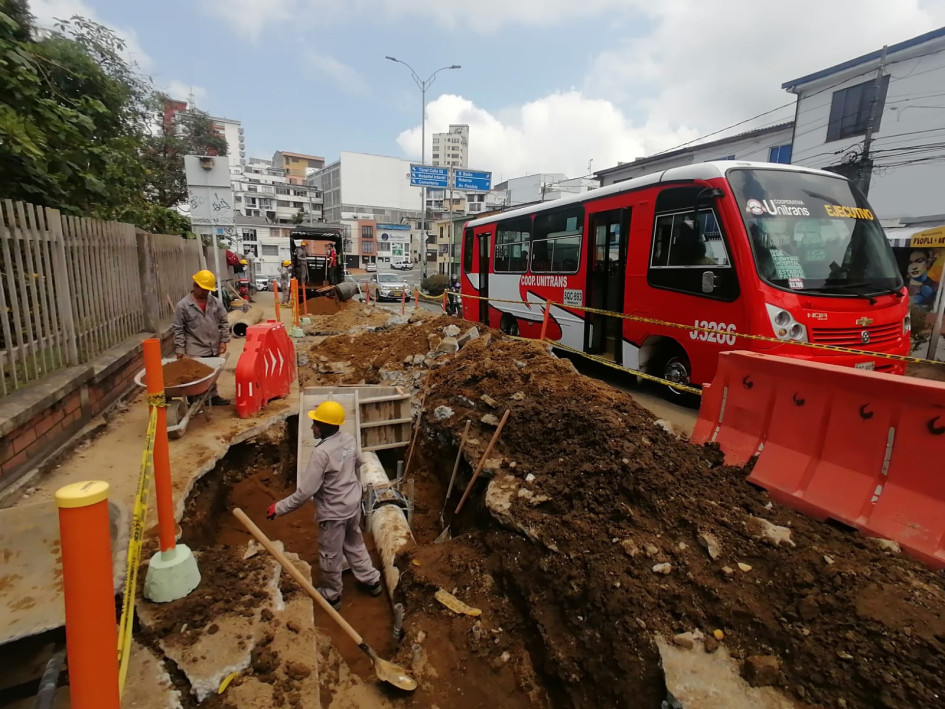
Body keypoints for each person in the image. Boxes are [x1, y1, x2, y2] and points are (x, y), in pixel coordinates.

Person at [267, 401, 382, 609]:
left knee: (330, 554)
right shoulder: (348, 439)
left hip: (334, 513)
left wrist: (279, 508)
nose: (312, 427)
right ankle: (371, 581)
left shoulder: (321, 453)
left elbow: (305, 492)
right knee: (355, 544)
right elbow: (357, 462)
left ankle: (332, 595)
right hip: (352, 505)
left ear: (327, 426)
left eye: (316, 424)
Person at [172, 270, 230, 406]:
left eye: (208, 290)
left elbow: (224, 322)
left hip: (213, 345)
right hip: (195, 348)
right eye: (204, 290)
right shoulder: (183, 306)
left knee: (212, 374)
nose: (206, 293)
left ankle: (213, 396)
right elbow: (178, 328)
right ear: (195, 285)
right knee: (196, 376)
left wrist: (223, 340)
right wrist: (180, 349)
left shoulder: (215, 303)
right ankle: (195, 399)